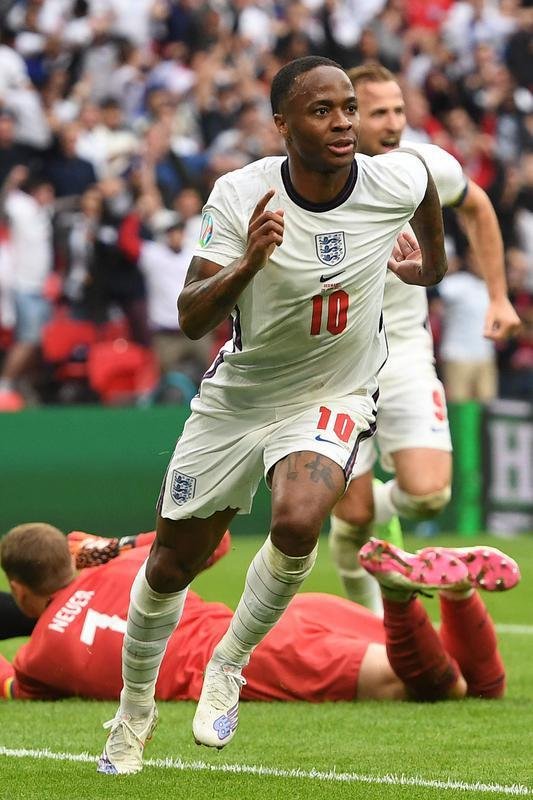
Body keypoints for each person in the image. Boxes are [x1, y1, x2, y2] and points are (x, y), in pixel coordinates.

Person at [96, 54, 449, 775]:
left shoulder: (396, 177)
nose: (343, 123)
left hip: (334, 392)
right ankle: (133, 711)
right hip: (240, 398)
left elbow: (429, 197)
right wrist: (248, 264)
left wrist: (428, 268)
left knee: (295, 521)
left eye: (348, 107)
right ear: (282, 125)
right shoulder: (240, 194)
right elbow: (191, 317)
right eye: (322, 111)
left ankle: (229, 663)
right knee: (170, 565)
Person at [329, 63, 522, 615]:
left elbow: (477, 205)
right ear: (347, 118)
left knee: (429, 493)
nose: (393, 123)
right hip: (334, 365)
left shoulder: (423, 164)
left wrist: (498, 296)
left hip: (405, 351)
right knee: (352, 517)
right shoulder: (313, 180)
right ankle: (373, 624)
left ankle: (374, 512)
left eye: (398, 110)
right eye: (378, 113)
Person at [0, 524, 519, 710]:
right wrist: (115, 547)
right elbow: (216, 540)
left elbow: (12, 686)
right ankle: (457, 593)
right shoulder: (128, 566)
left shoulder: (39, 657)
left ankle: (399, 595)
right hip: (280, 618)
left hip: (248, 660)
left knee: (438, 688)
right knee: (480, 688)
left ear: (19, 590)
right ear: (71, 559)